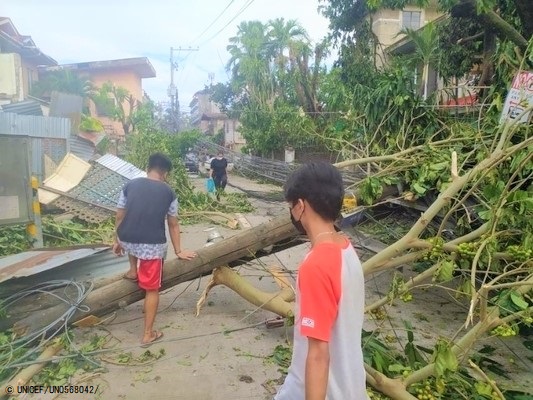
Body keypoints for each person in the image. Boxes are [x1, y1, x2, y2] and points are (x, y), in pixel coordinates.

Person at [275, 161, 368, 400]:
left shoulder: (317, 264)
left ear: (300, 206)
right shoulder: (346, 248)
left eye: (291, 205)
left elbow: (318, 353)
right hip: (351, 387)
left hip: (322, 392)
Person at [113, 152, 197, 346]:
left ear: (148, 168)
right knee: (152, 289)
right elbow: (173, 224)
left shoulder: (129, 185)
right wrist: (179, 251)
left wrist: (117, 239)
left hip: (127, 239)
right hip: (151, 245)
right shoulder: (169, 192)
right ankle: (148, 334)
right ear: (165, 173)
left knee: (133, 235)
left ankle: (133, 270)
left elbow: (119, 216)